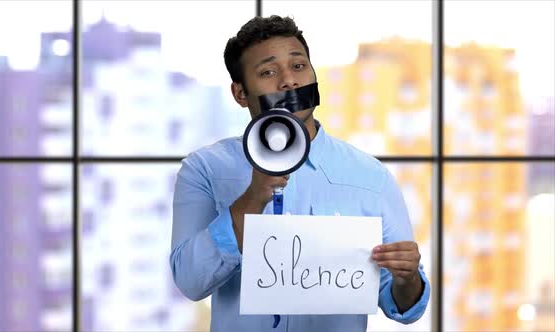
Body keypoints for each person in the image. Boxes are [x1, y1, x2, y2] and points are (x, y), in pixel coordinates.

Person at [170, 15, 430, 331]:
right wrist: (251, 200)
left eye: (298, 66)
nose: (288, 82)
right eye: (267, 72)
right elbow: (189, 281)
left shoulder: (370, 176)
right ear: (240, 94)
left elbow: (403, 305)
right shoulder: (205, 169)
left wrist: (408, 277)